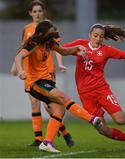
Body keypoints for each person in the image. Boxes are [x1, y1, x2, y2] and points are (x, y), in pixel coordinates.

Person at [14, 20, 103, 153]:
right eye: (50, 33)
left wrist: (78, 48)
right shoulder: (34, 43)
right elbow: (18, 57)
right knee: (63, 96)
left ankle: (46, 142)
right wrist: (21, 71)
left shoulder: (50, 42)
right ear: (41, 33)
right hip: (34, 83)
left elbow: (64, 51)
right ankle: (91, 119)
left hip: (46, 81)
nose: (53, 35)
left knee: (60, 110)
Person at [10, 0, 74, 147]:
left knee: (49, 106)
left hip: (46, 71)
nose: (37, 13)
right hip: (29, 71)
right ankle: (38, 139)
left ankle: (65, 134)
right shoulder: (26, 29)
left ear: (43, 12)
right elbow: (23, 49)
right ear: (30, 13)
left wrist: (60, 63)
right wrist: (15, 66)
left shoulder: (49, 28)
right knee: (34, 103)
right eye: (35, 11)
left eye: (40, 11)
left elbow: (57, 48)